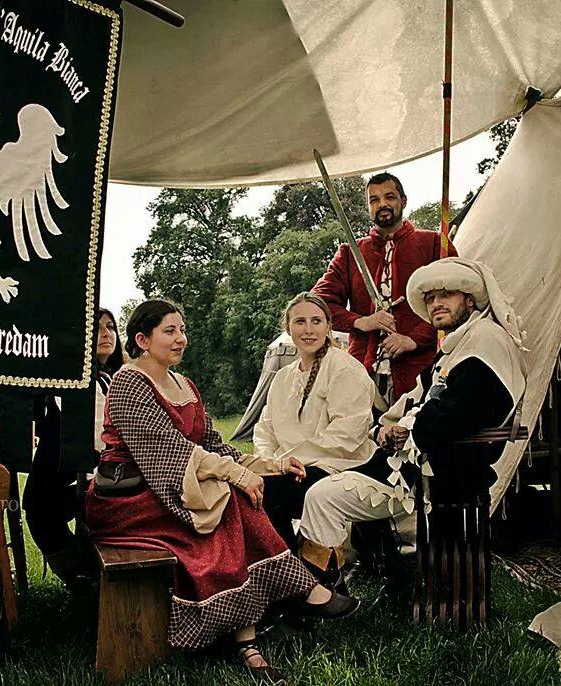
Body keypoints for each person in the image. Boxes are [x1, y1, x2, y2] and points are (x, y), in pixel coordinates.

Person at [85, 299, 358, 682]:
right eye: (170, 331)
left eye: (182, 330)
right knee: (228, 501)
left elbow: (214, 445)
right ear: (142, 340)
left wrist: (272, 465)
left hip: (168, 491)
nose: (181, 339)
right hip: (128, 499)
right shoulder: (129, 384)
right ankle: (287, 604)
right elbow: (170, 450)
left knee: (231, 503)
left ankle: (252, 638)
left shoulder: (186, 385)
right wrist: (237, 477)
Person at [298, 258, 526, 580]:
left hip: (438, 476)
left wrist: (402, 429)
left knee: (321, 497)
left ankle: (319, 591)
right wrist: (386, 426)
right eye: (430, 298)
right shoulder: (456, 346)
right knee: (320, 488)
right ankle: (345, 581)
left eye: (446, 295)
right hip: (414, 469)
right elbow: (415, 397)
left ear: (470, 300)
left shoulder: (486, 341)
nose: (436, 304)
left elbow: (454, 414)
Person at [313, 172, 459, 404]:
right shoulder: (351, 253)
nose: (382, 204)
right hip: (362, 372)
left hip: (421, 371)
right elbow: (318, 304)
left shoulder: (434, 244)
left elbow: (456, 304)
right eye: (374, 199)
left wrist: (413, 339)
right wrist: (361, 321)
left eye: (389, 197)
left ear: (403, 201)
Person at [254, 292, 376, 550]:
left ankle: (292, 565)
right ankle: (289, 563)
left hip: (338, 465)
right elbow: (265, 430)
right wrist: (269, 463)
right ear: (288, 328)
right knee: (251, 487)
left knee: (268, 492)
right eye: (300, 322)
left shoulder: (344, 368)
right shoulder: (283, 377)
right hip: (289, 467)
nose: (308, 330)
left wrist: (289, 462)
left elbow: (347, 435)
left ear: (328, 326)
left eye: (316, 321)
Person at [23, 307, 124, 590]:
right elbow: (96, 434)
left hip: (92, 472)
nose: (106, 334)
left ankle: (85, 576)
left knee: (43, 512)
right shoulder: (74, 378)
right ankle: (80, 575)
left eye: (110, 327)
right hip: (66, 472)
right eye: (96, 328)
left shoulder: (110, 378)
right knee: (40, 512)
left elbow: (105, 435)